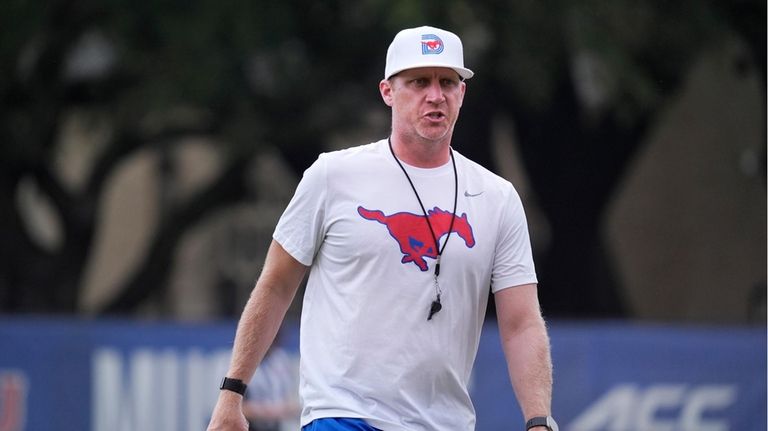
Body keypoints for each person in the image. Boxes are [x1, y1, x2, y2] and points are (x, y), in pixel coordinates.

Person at [207, 26, 556, 431]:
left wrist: (538, 421)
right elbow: (276, 285)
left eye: (448, 82)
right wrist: (232, 393)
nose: (435, 95)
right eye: (418, 82)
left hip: (445, 422)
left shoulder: (497, 197)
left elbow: (522, 323)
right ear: (388, 92)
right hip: (343, 415)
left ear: (462, 93)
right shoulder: (332, 176)